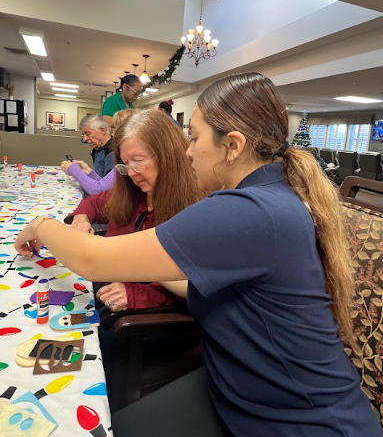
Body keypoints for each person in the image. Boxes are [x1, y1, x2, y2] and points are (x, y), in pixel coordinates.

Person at [16, 73, 382, 437]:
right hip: (237, 393)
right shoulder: (271, 197)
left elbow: (88, 259)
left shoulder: (246, 211)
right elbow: (205, 288)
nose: (187, 150)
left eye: (193, 136)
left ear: (233, 145)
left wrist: (41, 224)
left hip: (299, 423)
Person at [64, 109, 203, 312]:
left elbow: (194, 285)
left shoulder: (195, 207)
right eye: (124, 163)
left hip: (139, 317)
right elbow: (94, 202)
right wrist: (81, 218)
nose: (130, 173)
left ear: (168, 156)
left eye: (138, 161)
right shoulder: (133, 190)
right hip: (103, 285)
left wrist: (135, 295)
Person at [61, 110, 136, 196]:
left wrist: (73, 169)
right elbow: (105, 183)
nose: (113, 133)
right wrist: (89, 172)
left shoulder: (117, 154)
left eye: (116, 128)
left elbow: (100, 190)